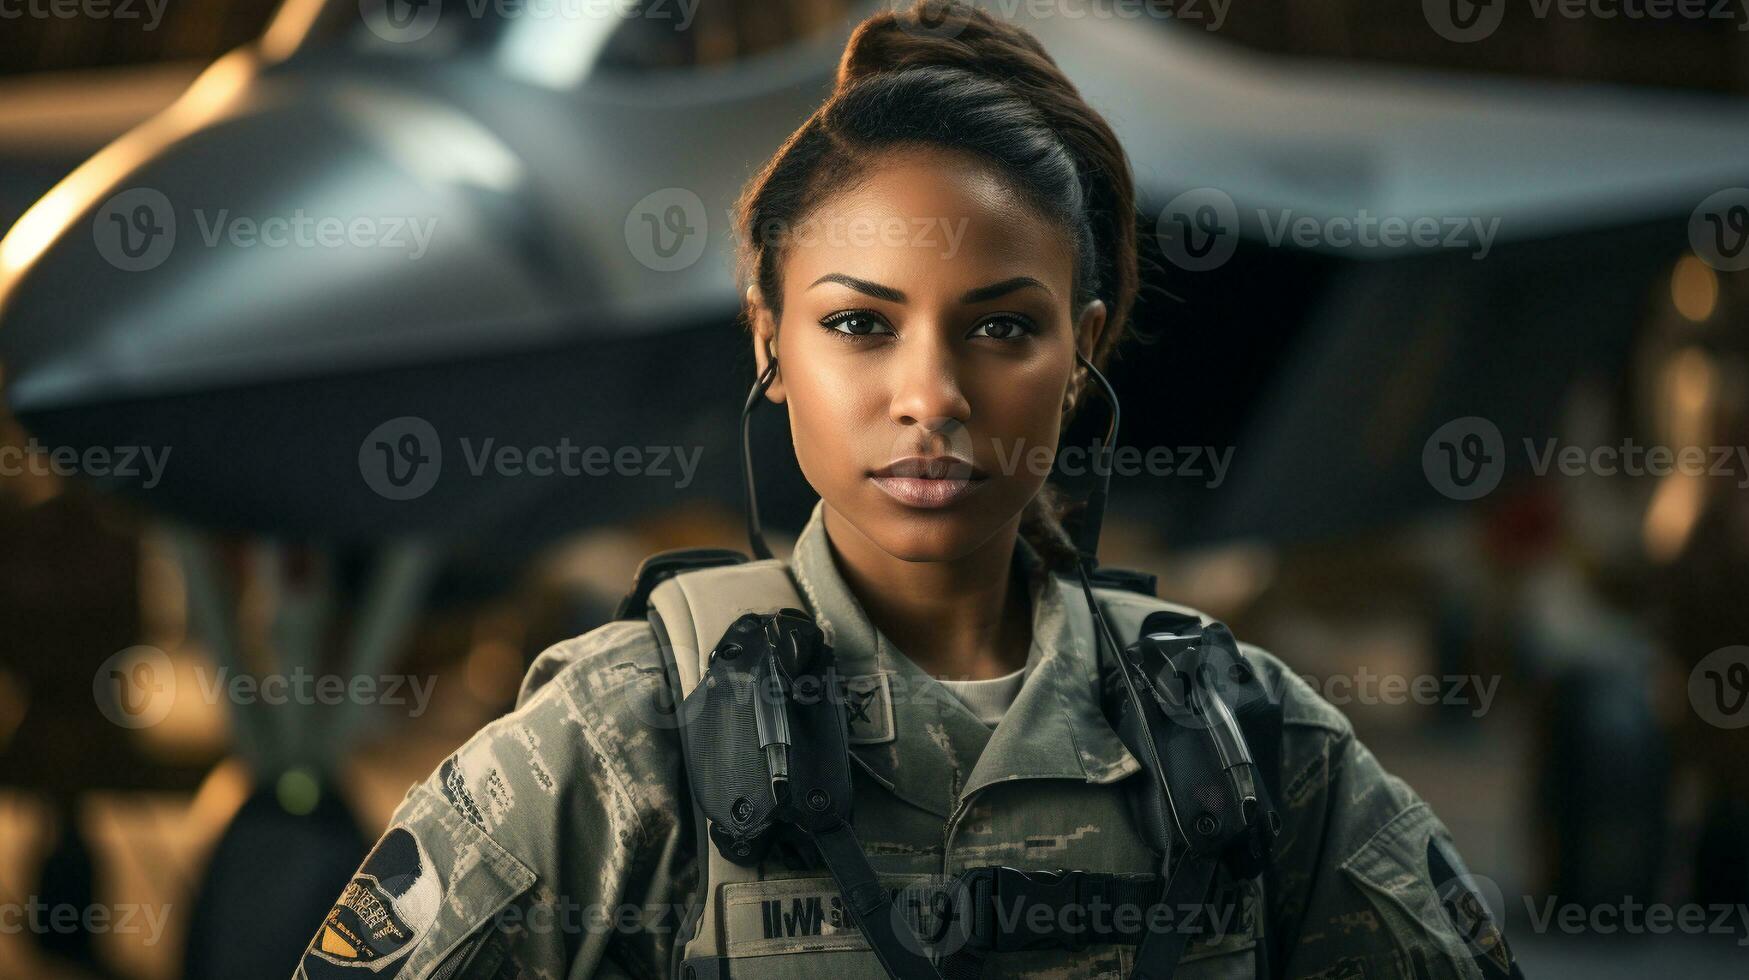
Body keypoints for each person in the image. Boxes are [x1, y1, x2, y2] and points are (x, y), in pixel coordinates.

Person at [293, 2, 1522, 978]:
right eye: (859, 324)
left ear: (1084, 348)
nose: (929, 394)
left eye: (1000, 329)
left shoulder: (1252, 747)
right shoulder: (622, 748)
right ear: (770, 340)